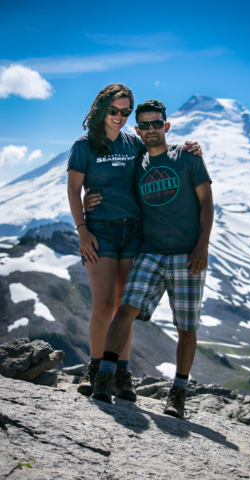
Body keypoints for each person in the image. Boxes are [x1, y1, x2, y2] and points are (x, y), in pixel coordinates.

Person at [67, 84, 202, 401]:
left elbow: (161, 155)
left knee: (123, 307)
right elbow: (74, 191)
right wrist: (82, 229)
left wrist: (191, 148)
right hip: (100, 231)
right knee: (102, 305)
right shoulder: (84, 145)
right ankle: (95, 367)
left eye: (126, 111)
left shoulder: (134, 143)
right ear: (102, 109)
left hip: (135, 231)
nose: (120, 117)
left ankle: (120, 374)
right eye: (114, 110)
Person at [90, 99, 214, 420]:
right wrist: (86, 196)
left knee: (186, 327)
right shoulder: (137, 162)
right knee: (126, 309)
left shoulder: (187, 157)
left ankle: (179, 393)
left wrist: (202, 245)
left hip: (188, 256)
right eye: (143, 124)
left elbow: (207, 202)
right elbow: (111, 181)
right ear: (138, 128)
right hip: (151, 251)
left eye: (156, 123)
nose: (150, 129)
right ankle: (105, 375)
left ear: (166, 127)